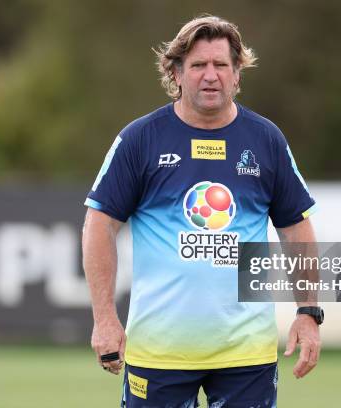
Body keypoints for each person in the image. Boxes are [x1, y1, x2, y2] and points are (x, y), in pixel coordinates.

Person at [82, 14, 323, 408]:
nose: (210, 75)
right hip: (159, 352)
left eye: (221, 65)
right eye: (197, 65)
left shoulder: (266, 140)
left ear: (237, 74)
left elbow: (296, 228)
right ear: (176, 73)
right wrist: (105, 318)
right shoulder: (139, 140)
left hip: (247, 354)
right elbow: (99, 223)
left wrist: (308, 312)